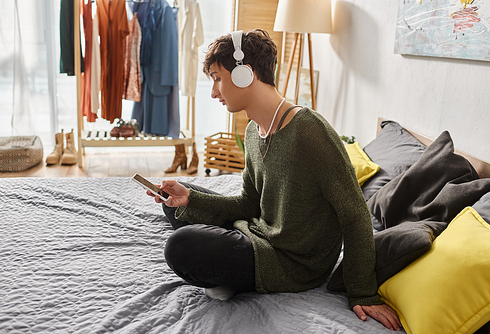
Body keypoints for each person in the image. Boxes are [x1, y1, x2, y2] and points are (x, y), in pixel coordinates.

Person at [146, 29, 402, 331]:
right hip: (257, 231)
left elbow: (356, 214)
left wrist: (363, 292)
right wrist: (190, 199)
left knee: (180, 246)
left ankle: (233, 276)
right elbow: (248, 203)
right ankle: (230, 272)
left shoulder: (311, 131)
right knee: (175, 202)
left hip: (290, 262)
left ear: (245, 74)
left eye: (217, 78)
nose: (214, 92)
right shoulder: (254, 131)